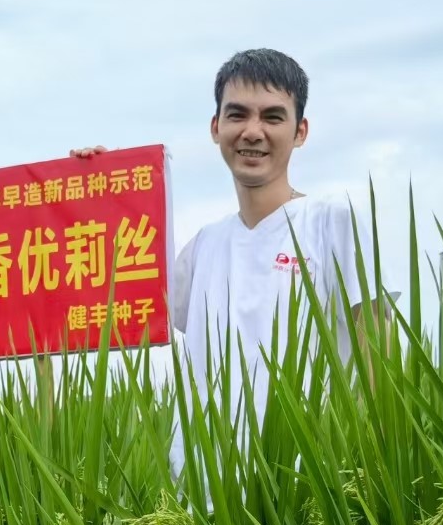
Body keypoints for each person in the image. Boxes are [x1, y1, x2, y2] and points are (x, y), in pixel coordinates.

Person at [73, 47, 374, 485]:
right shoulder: (202, 249)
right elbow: (115, 300)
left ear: (300, 131)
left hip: (307, 496)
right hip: (202, 504)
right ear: (216, 128)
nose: (253, 132)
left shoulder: (334, 222)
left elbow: (376, 359)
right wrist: (98, 189)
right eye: (237, 115)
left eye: (273, 117)